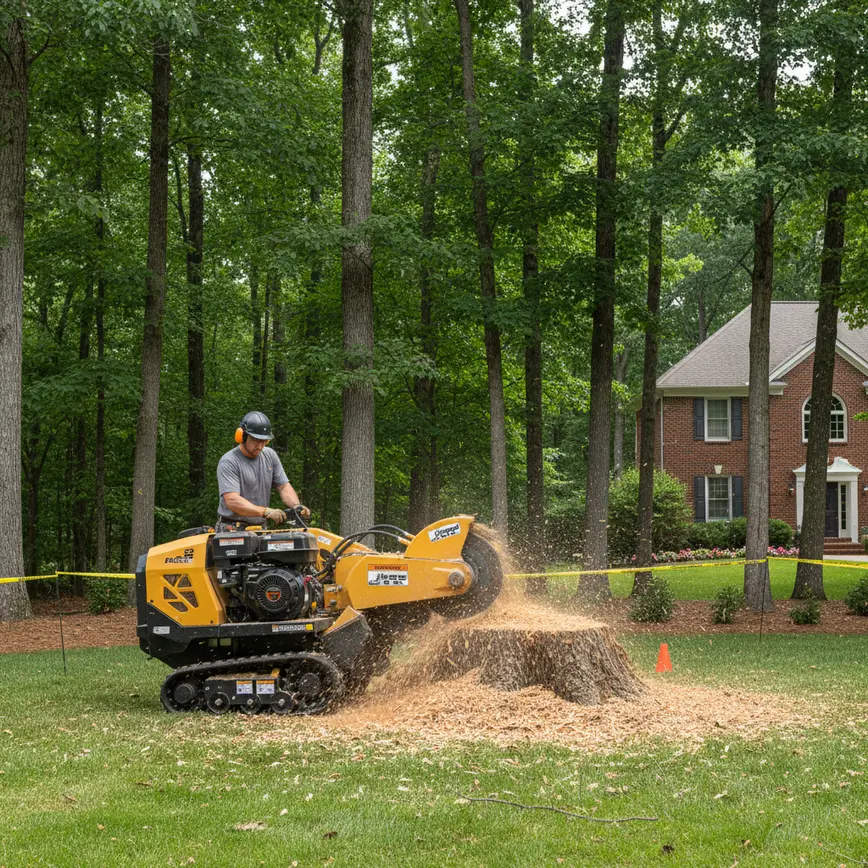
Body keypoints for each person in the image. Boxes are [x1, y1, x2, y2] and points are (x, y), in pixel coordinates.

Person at [216, 411, 310, 530]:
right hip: (232, 529)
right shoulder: (229, 461)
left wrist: (297, 507)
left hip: (260, 528)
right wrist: (265, 512)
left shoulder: (270, 456)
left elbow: (283, 487)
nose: (260, 446)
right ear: (243, 436)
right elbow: (232, 500)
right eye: (255, 440)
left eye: (264, 441)